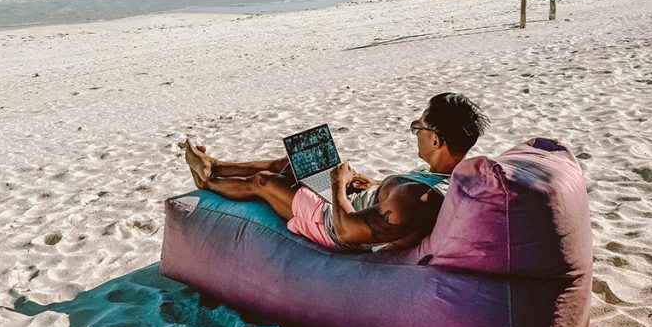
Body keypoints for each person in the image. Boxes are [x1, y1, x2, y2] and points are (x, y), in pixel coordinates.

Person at [182, 93, 489, 252]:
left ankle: (207, 181)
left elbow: (346, 233)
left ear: (437, 140)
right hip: (353, 201)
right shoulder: (446, 176)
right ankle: (219, 165)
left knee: (265, 182)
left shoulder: (414, 200)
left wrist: (337, 183)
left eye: (418, 127)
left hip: (330, 222)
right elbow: (395, 196)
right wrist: (370, 184)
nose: (415, 131)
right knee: (292, 163)